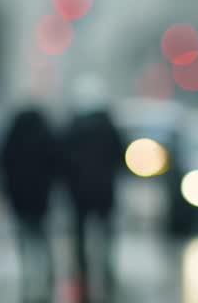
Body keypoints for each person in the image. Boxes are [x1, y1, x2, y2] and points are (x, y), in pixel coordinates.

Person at [60, 77, 124, 301]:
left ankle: (82, 269)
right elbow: (120, 155)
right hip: (104, 190)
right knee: (106, 232)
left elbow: (62, 159)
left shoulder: (73, 128)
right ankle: (106, 268)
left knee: (80, 234)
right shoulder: (109, 127)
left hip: (79, 192)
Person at [0, 106, 59, 302]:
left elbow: (1, 164)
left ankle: (28, 273)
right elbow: (56, 164)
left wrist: (6, 191)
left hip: (20, 198)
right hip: (40, 197)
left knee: (25, 237)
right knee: (41, 235)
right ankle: (48, 273)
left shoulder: (13, 140)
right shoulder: (45, 138)